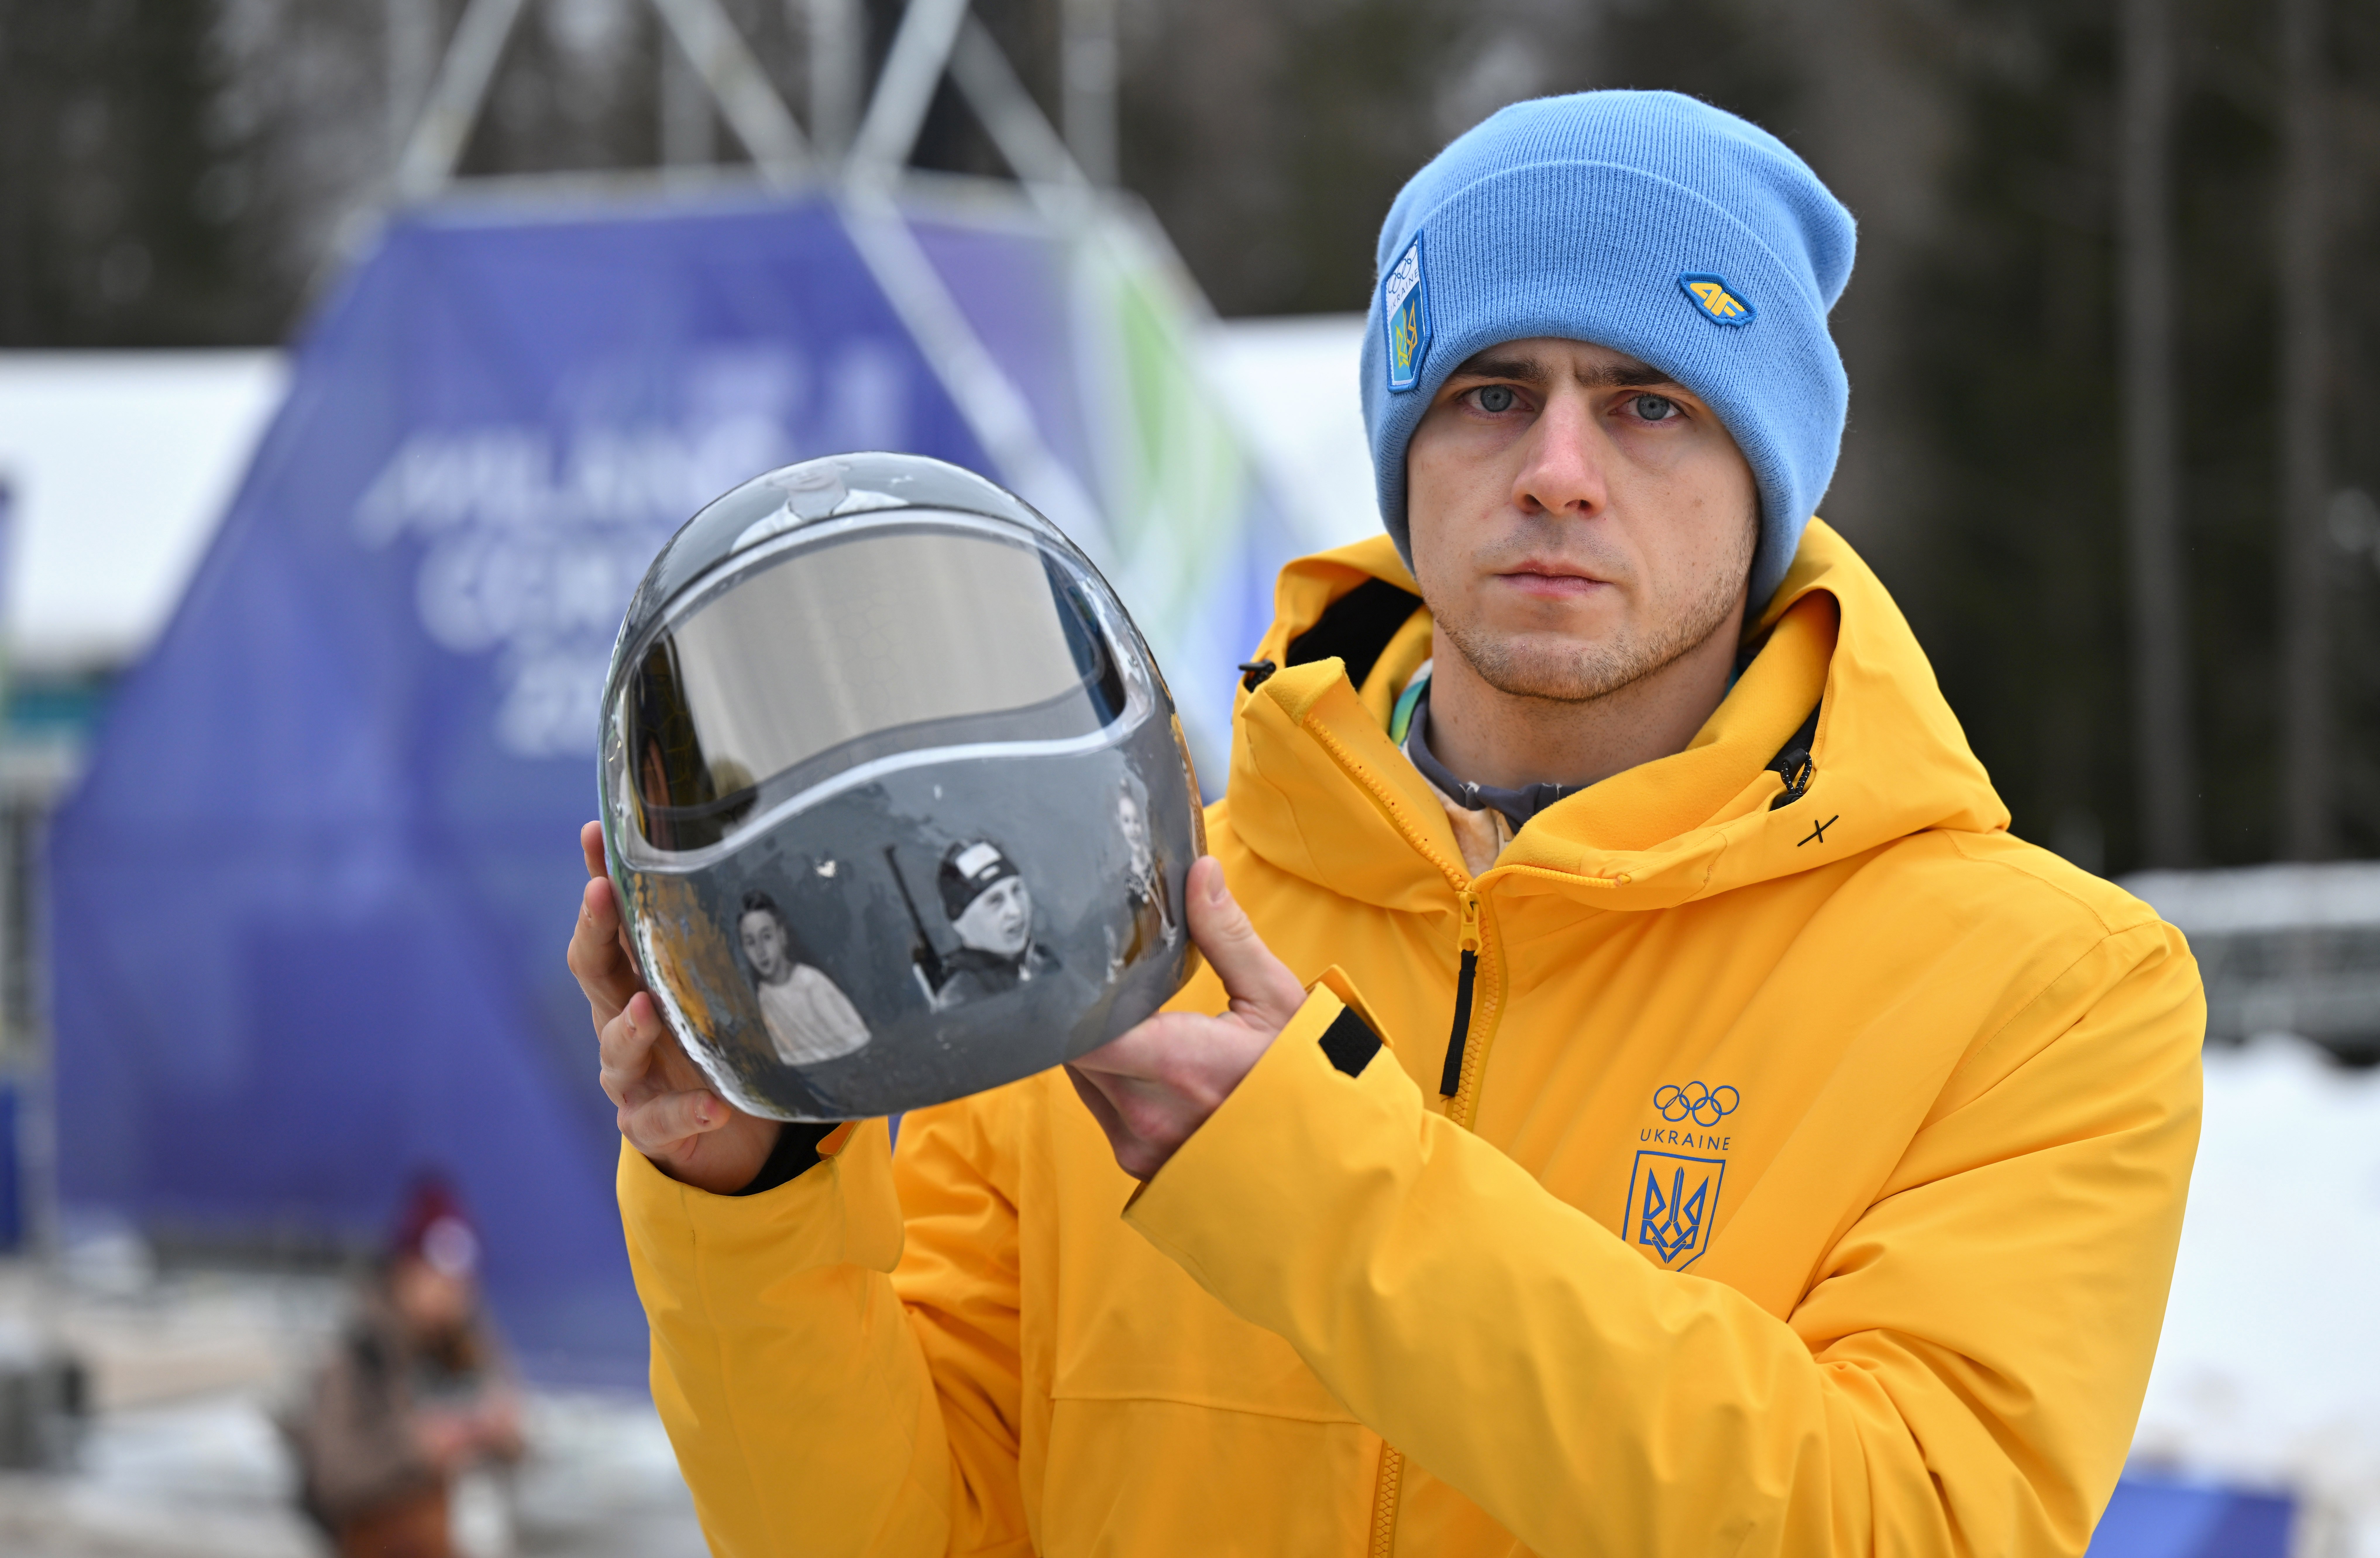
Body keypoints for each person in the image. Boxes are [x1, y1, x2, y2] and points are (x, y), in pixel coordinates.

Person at [568, 91, 2202, 1556]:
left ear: (1769, 471)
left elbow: (1905, 1527)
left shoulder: (2045, 987)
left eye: (1650, 404)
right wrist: (752, 1202)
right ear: (1404, 450)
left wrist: (1311, 1178)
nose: (1558, 469)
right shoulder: (1113, 913)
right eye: (1491, 393)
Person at [284, 1179, 524, 1558]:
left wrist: (503, 1432)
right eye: (436, 1275)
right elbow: (331, 1477)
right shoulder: (359, 1355)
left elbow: (522, 1448)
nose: (450, 1291)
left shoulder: (474, 1346)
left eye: (460, 1280)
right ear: (403, 1271)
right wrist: (416, 1448)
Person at [736, 889, 870, 1065]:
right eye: (751, 942)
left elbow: (856, 1040)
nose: (760, 951)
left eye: (767, 937)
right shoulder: (763, 995)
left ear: (782, 936)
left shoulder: (810, 982)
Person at [927, 839, 1058, 1006]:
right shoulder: (960, 996)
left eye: (1017, 890)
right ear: (960, 920)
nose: (1016, 911)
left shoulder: (1044, 960)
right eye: (995, 901)